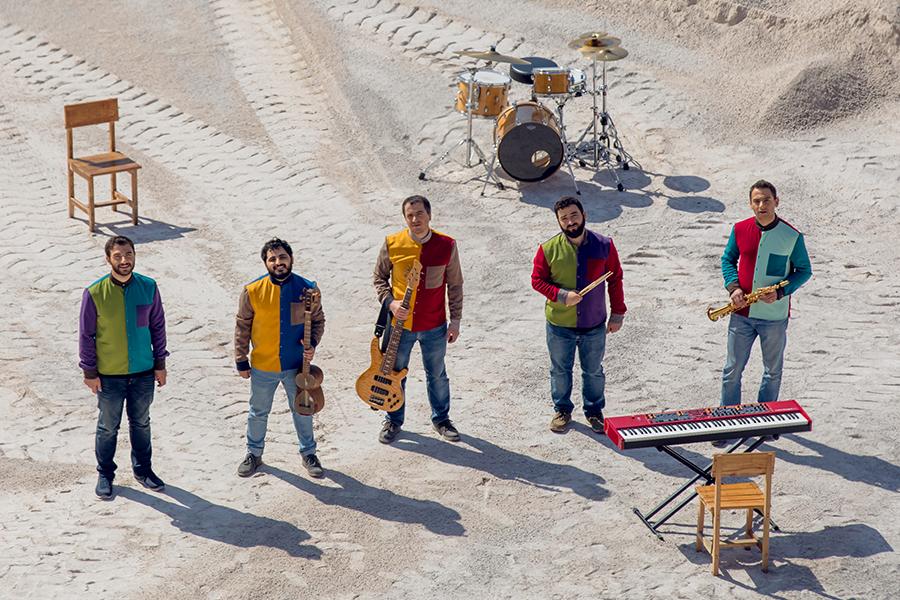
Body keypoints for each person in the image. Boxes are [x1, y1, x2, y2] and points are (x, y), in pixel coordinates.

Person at [79, 235, 169, 500]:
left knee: (141, 423)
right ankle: (105, 474)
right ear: (108, 259)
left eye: (128, 254)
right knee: (108, 426)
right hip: (109, 375)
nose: (124, 260)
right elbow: (86, 335)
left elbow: (158, 328)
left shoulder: (149, 287)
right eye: (117, 256)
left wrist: (160, 364)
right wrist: (89, 372)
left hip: (143, 371)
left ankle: (144, 470)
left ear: (134, 255)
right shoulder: (94, 293)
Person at [717, 180, 812, 427]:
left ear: (776, 202)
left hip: (774, 317)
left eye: (766, 200)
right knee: (732, 371)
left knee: (772, 372)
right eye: (757, 201)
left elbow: (804, 271)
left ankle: (764, 424)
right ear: (751, 204)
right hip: (742, 313)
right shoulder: (739, 229)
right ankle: (728, 423)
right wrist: (734, 287)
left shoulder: (792, 236)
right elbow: (727, 259)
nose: (762, 205)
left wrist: (781, 293)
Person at [372, 195, 463, 444]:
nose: (415, 219)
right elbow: (379, 279)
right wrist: (391, 302)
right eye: (410, 215)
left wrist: (455, 321)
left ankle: (442, 420)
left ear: (429, 215)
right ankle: (393, 420)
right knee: (395, 373)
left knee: (437, 374)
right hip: (400, 326)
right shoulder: (392, 243)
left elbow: (455, 285)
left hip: (434, 325)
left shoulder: (447, 245)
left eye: (419, 214)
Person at [531, 196, 626, 434]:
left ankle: (594, 412)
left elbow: (615, 278)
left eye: (574, 215)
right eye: (564, 218)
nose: (570, 222)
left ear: (584, 215)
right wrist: (562, 295)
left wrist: (618, 313)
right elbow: (537, 281)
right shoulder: (548, 249)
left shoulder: (604, 245)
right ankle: (562, 410)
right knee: (559, 370)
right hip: (559, 323)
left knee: (593, 370)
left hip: (593, 322)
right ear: (559, 222)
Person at [234, 238, 326, 477]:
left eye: (282, 257)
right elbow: (242, 326)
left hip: (297, 366)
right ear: (265, 262)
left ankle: (309, 453)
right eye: (272, 258)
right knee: (258, 412)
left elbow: (318, 321)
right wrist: (241, 358)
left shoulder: (308, 288)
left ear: (291, 258)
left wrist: (313, 343)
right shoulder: (252, 291)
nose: (278, 262)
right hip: (263, 365)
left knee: (303, 409)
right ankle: (254, 453)